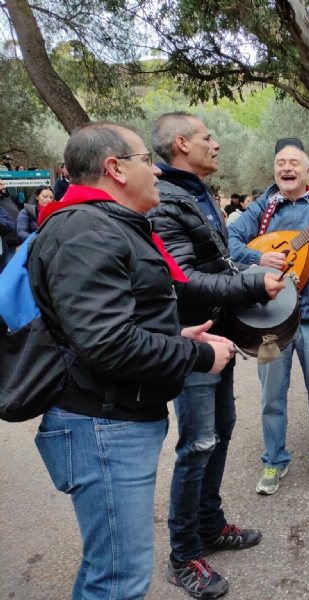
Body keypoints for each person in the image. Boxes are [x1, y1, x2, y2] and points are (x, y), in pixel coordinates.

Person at [27, 121, 236, 600]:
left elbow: (107, 322)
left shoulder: (103, 225)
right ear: (114, 168)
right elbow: (106, 343)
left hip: (113, 419)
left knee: (111, 570)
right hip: (102, 425)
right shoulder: (87, 230)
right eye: (148, 161)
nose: (157, 174)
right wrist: (198, 354)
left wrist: (172, 334)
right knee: (118, 580)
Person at [148, 112, 285, 598]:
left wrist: (252, 259)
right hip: (195, 338)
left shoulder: (197, 192)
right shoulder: (166, 199)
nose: (218, 144)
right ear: (182, 144)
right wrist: (251, 283)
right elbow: (180, 278)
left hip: (218, 337)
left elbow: (217, 253)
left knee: (221, 432)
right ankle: (183, 554)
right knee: (199, 442)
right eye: (209, 137)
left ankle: (209, 524)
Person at [228, 138, 309, 495]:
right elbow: (226, 242)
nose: (286, 168)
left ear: (307, 171)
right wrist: (258, 259)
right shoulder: (262, 209)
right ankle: (273, 461)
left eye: (293, 163)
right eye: (280, 163)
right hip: (270, 320)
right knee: (271, 396)